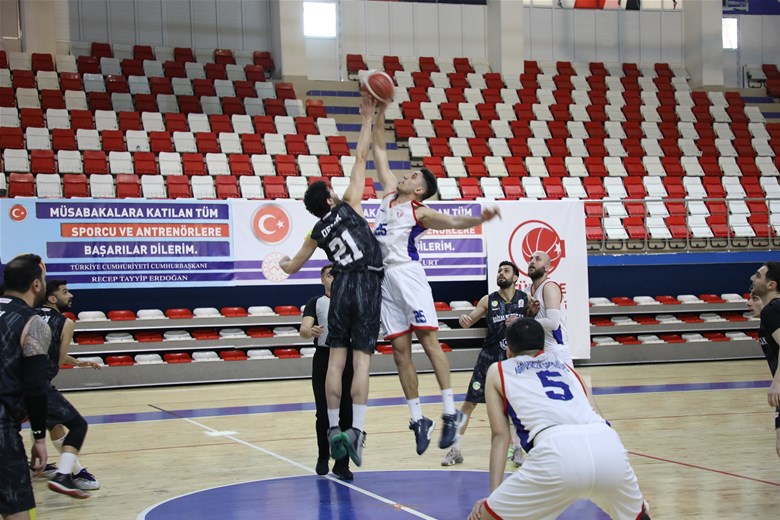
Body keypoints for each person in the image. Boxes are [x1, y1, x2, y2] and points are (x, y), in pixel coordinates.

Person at [371, 102, 501, 455]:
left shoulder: (421, 212)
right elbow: (379, 149)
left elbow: (456, 223)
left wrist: (481, 219)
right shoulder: (386, 196)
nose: (407, 175)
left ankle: (447, 414)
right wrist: (377, 113)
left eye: (414, 176)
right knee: (400, 352)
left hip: (408, 277)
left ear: (419, 190)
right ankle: (418, 419)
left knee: (429, 343)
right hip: (385, 283)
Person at [280, 96, 384, 468]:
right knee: (362, 364)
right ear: (329, 196)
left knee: (335, 364)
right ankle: (355, 430)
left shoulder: (315, 230)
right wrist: (368, 119)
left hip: (339, 290)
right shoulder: (350, 204)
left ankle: (330, 434)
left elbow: (292, 267)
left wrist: (280, 260)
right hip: (367, 284)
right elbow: (360, 159)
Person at [468, 318, 650, 520]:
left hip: (556, 452)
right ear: (543, 346)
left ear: (508, 350)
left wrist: (494, 497)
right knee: (639, 516)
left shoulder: (498, 369)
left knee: (482, 517)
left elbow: (500, 436)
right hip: (606, 444)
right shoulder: (567, 368)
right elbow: (599, 417)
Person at [441, 261, 528, 466]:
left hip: (514, 359)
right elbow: (469, 320)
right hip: (489, 359)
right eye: (499, 271)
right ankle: (455, 449)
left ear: (515, 277)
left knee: (516, 405)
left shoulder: (526, 300)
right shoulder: (488, 300)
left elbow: (533, 325)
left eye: (506, 271)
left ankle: (517, 449)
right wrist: (464, 320)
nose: (501, 273)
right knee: (469, 403)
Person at [36, 279, 100, 496]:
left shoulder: (28, 314)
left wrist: (78, 361)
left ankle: (76, 471)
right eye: (65, 292)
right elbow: (57, 359)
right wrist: (68, 360)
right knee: (78, 426)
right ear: (52, 298)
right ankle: (65, 476)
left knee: (54, 426)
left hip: (10, 382)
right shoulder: (65, 322)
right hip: (36, 384)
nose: (70, 295)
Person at [0, 254, 51, 520]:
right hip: (2, 429)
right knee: (17, 510)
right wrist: (39, 438)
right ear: (35, 285)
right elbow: (35, 387)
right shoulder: (33, 323)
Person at [300, 264, 353, 480]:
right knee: (322, 412)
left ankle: (342, 463)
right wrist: (309, 331)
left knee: (347, 413)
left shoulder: (351, 301)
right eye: (330, 274)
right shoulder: (315, 302)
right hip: (323, 359)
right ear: (322, 279)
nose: (335, 277)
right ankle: (323, 456)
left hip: (347, 358)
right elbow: (304, 329)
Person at [749, 262, 780, 459]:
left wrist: (777, 382)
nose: (753, 278)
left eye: (758, 275)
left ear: (771, 285)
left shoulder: (772, 311)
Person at [526, 250, 572, 366]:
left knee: (568, 384)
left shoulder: (549, 286)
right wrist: (530, 315)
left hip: (555, 350)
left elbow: (553, 323)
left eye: (538, 259)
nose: (532, 261)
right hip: (536, 349)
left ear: (547, 268)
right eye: (531, 259)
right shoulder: (527, 290)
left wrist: (523, 322)